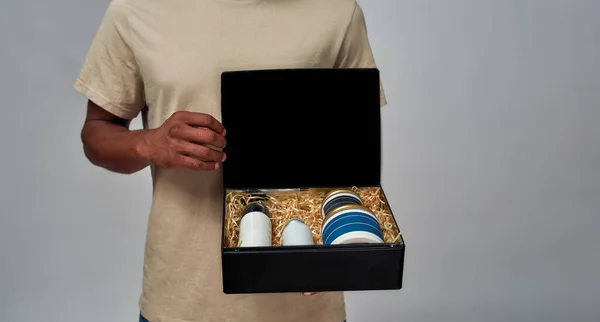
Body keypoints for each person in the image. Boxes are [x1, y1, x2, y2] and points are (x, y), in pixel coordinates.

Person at [75, 0, 387, 321]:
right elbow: (96, 134)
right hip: (183, 302)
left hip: (305, 306)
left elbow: (353, 147)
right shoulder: (135, 9)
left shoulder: (336, 11)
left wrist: (339, 256)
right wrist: (150, 143)